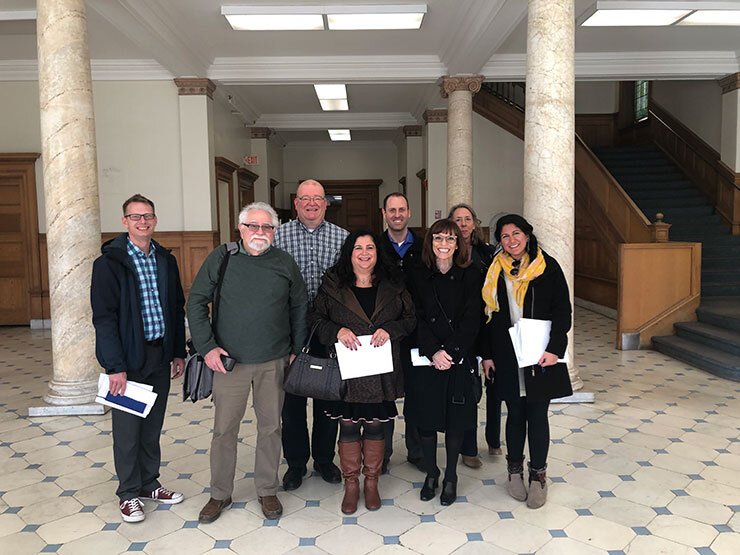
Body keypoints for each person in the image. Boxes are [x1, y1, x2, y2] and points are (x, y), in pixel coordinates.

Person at [188, 202, 308, 522]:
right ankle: (219, 494)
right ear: (240, 229)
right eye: (253, 226)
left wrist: (296, 347)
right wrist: (208, 348)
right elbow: (197, 302)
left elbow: (299, 306)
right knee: (224, 430)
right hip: (230, 363)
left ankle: (267, 490)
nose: (260, 232)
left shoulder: (284, 262)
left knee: (270, 428)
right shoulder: (223, 257)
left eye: (267, 227)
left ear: (275, 231)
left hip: (274, 361)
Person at [91, 193, 186, 523]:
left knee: (152, 426)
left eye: (148, 216)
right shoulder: (108, 264)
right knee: (128, 430)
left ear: (155, 220)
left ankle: (149, 483)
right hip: (128, 362)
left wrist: (177, 352)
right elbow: (103, 318)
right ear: (125, 222)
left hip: (159, 355)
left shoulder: (165, 260)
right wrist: (114, 366)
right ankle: (128, 492)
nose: (142, 222)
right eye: (135, 217)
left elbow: (175, 308)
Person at [310, 229, 416, 514]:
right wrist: (337, 330)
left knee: (374, 425)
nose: (365, 253)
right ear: (350, 252)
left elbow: (410, 320)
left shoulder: (394, 284)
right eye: (359, 248)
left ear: (378, 252)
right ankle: (351, 484)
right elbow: (316, 320)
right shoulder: (333, 284)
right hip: (347, 370)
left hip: (380, 370)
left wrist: (390, 330)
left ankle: (371, 483)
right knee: (347, 425)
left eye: (370, 247)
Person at [481, 213, 573, 510]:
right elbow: (488, 317)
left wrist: (555, 348)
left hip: (539, 353)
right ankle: (514, 472)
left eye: (516, 233)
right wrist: (488, 355)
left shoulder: (548, 267)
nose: (511, 240)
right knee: (515, 413)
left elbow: (562, 311)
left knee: (538, 414)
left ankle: (538, 475)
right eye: (505, 236)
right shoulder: (495, 269)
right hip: (508, 354)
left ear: (528, 235)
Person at [275, 179, 349, 490]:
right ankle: (295, 463)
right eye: (305, 199)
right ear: (296, 203)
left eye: (317, 199)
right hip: (287, 328)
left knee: (327, 396)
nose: (311, 204)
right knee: (291, 399)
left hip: (328, 329)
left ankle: (323, 458)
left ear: (326, 203)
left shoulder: (343, 238)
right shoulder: (277, 236)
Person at [406, 219, 483, 506]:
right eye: (438, 238)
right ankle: (432, 472)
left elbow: (472, 318)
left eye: (450, 239)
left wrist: (450, 352)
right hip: (427, 358)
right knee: (425, 421)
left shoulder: (471, 274)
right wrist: (433, 352)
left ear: (458, 244)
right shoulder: (417, 273)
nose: (444, 244)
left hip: (457, 359)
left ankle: (450, 475)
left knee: (454, 421)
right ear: (430, 242)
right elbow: (415, 316)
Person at [448, 203, 501, 469]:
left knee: (492, 386)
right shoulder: (446, 251)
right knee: (467, 390)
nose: (463, 224)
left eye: (468, 219)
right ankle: (468, 447)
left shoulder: (487, 253)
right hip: (459, 328)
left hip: (486, 324)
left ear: (474, 222)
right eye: (457, 219)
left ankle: (493, 438)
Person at [379, 192, 425, 474]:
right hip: (381, 335)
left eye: (402, 209)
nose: (397, 214)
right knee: (384, 394)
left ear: (409, 213)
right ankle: (381, 453)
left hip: (416, 332)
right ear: (384, 213)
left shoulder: (423, 246)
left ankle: (417, 451)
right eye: (391, 210)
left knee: (416, 393)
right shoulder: (373, 246)